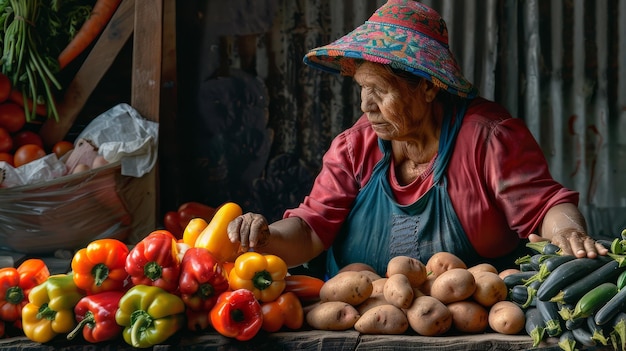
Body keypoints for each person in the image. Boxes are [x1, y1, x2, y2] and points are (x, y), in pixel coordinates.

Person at [227, 0, 608, 277]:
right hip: (357, 323)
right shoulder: (353, 147)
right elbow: (310, 230)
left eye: (380, 90)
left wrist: (568, 233)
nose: (366, 106)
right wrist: (266, 238)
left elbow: (544, 208)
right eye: (361, 88)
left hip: (471, 330)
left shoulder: (488, 139)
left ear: (427, 88)